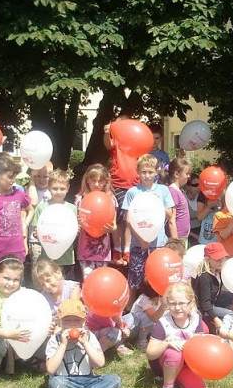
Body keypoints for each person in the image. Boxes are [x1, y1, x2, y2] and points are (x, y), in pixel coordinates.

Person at [46, 299, 122, 388]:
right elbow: (51, 369)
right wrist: (63, 345)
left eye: (76, 321)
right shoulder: (55, 339)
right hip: (65, 381)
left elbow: (100, 363)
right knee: (55, 385)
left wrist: (85, 344)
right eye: (67, 321)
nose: (71, 325)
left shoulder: (89, 337)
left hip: (88, 380)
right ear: (60, 322)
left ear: (83, 321)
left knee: (114, 380)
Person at [122, 154, 175, 304]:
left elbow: (170, 214)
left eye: (150, 172)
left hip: (158, 244)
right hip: (139, 244)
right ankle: (130, 309)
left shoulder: (163, 190)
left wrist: (158, 204)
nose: (147, 175)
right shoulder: (133, 192)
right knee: (135, 278)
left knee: (159, 276)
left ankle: (160, 308)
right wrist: (140, 239)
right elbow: (128, 219)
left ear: (156, 172)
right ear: (138, 172)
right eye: (143, 172)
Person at [146, 282, 207, 388]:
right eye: (173, 304)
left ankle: (178, 380)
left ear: (191, 304)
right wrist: (167, 343)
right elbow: (150, 354)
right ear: (168, 304)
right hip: (163, 364)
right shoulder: (163, 323)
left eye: (182, 303)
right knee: (175, 351)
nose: (177, 307)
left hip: (186, 364)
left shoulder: (196, 320)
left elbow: (200, 347)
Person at [0, 153, 33, 277]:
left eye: (14, 176)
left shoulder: (19, 194)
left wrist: (24, 225)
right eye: (10, 177)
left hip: (17, 252)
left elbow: (30, 210)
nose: (13, 180)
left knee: (16, 286)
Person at [103, 115, 138, 266]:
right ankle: (117, 249)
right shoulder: (116, 142)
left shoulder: (137, 142)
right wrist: (106, 133)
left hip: (134, 185)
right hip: (117, 184)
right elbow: (107, 145)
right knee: (116, 220)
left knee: (129, 221)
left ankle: (127, 250)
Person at [31, 169, 78, 279]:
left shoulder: (72, 208)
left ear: (68, 189)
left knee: (66, 285)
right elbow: (35, 231)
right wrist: (37, 234)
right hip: (46, 258)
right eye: (55, 188)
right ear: (49, 188)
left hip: (67, 258)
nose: (59, 192)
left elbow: (73, 231)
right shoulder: (42, 207)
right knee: (47, 285)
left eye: (62, 189)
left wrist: (77, 231)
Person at [74, 164, 118, 280]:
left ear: (106, 182)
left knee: (100, 280)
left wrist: (111, 228)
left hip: (103, 252)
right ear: (87, 180)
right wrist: (78, 224)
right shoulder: (80, 199)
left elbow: (114, 226)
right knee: (88, 279)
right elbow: (76, 223)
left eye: (101, 181)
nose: (97, 184)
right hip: (85, 251)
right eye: (93, 180)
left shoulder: (110, 199)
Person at [192, 242, 232, 332]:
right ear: (207, 259)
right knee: (231, 314)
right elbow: (205, 303)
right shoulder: (204, 277)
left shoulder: (218, 271)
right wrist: (215, 318)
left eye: (223, 258)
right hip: (202, 309)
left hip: (213, 301)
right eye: (217, 259)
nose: (221, 261)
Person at [31, 259, 81, 327]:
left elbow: (74, 311)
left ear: (58, 273)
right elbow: (42, 318)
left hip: (72, 325)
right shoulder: (43, 297)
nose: (47, 286)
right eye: (42, 284)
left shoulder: (72, 288)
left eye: (48, 280)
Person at [122, 280, 165, 351]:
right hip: (133, 328)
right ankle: (141, 342)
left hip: (146, 328)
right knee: (147, 317)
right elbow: (154, 318)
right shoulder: (144, 298)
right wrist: (164, 306)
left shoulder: (162, 298)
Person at [27, 161, 53, 263]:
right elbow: (33, 202)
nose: (41, 180)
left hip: (52, 238)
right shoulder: (31, 190)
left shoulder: (53, 191)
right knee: (37, 267)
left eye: (45, 176)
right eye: (37, 176)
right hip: (35, 239)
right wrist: (32, 182)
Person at [166, 158, 191, 248]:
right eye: (186, 173)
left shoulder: (179, 191)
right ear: (176, 174)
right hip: (177, 238)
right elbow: (171, 220)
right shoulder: (173, 192)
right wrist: (175, 241)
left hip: (182, 237)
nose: (188, 176)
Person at [185, 173, 202, 247]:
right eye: (195, 185)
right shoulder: (182, 200)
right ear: (187, 186)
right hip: (188, 235)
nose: (198, 187)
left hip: (201, 233)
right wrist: (195, 236)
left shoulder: (201, 200)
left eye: (200, 185)